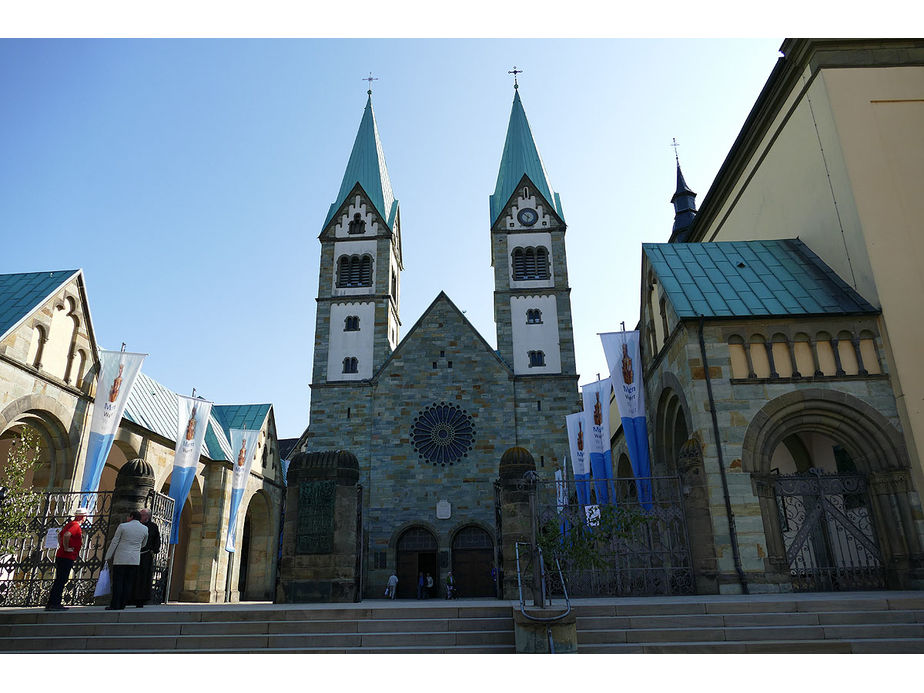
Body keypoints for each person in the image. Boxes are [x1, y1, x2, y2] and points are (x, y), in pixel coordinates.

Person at [104, 510, 148, 610]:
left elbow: (115, 541)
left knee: (118, 582)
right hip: (134, 559)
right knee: (128, 582)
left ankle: (115, 604)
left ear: (131, 517)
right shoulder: (144, 529)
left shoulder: (123, 526)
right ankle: (123, 603)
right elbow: (144, 543)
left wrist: (108, 556)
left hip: (121, 557)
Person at [45, 507, 88, 611]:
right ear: (83, 517)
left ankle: (52, 602)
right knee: (61, 580)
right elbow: (66, 535)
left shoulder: (70, 524)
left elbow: (60, 535)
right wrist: (66, 547)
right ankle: (55, 603)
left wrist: (62, 546)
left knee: (59, 579)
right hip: (66, 556)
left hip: (62, 555)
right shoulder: (75, 525)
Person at [131, 508, 161, 608]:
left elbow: (157, 540)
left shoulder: (152, 526)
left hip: (145, 555)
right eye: (140, 514)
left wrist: (153, 550)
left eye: (142, 515)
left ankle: (141, 599)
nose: (140, 516)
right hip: (133, 554)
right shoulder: (135, 525)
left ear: (147, 516)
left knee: (143, 578)